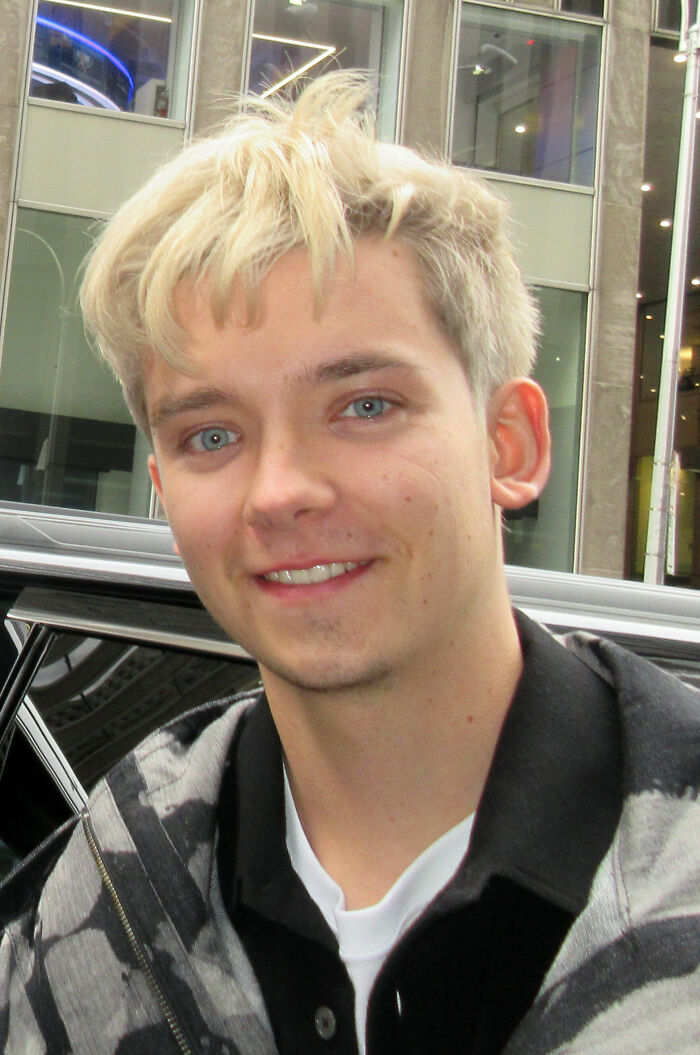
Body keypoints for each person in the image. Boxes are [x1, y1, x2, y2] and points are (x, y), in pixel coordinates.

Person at [1, 72, 698, 1055]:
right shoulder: (99, 895)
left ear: (509, 442)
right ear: (161, 482)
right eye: (211, 434)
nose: (279, 489)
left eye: (365, 405)